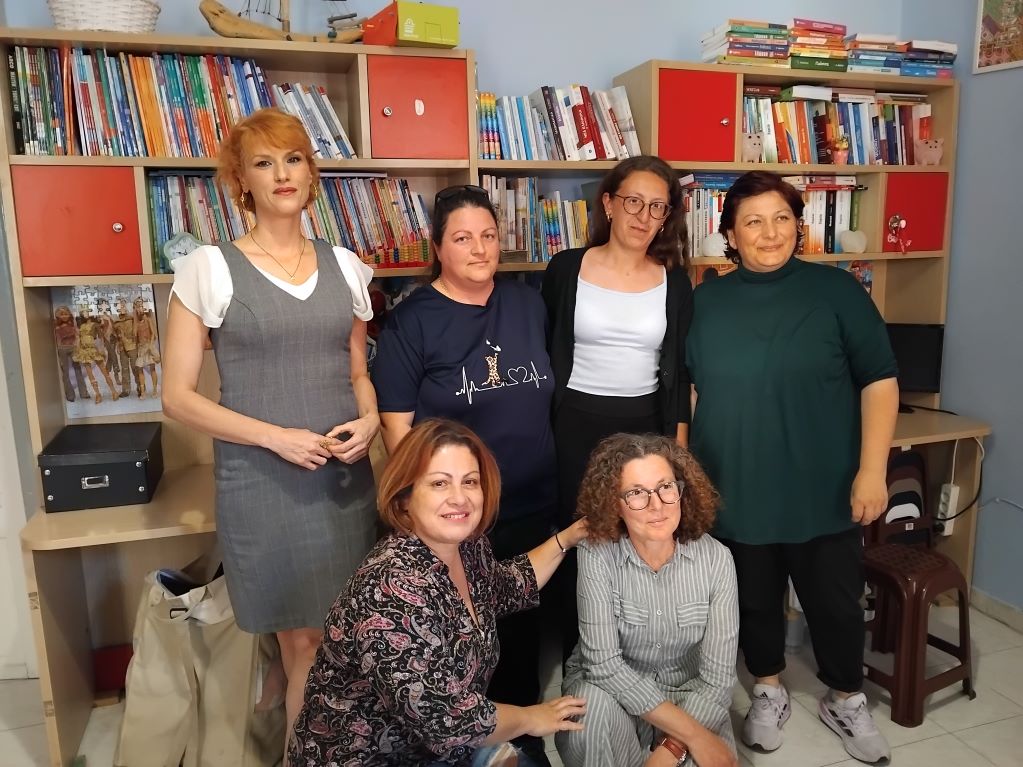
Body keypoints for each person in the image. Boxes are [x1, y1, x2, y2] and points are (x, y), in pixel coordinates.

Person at [162, 107, 379, 742]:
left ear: (311, 174)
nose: (281, 174)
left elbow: (357, 370)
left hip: (343, 483)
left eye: (293, 159)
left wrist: (370, 420)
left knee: (344, 634)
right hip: (263, 483)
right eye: (264, 163)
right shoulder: (209, 269)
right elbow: (176, 397)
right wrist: (274, 436)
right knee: (305, 640)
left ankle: (317, 731)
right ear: (242, 181)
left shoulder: (347, 266)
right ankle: (309, 750)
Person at [685, 171, 900, 764]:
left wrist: (872, 471)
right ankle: (768, 689)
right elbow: (691, 393)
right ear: (730, 234)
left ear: (798, 226)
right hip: (735, 486)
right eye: (753, 221)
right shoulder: (704, 303)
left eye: (782, 218)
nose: (770, 232)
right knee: (754, 600)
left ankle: (846, 696)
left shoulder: (837, 291)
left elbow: (880, 381)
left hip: (823, 486)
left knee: (835, 602)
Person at [371, 185, 559, 762]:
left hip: (534, 502)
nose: (479, 249)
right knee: (463, 646)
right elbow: (398, 433)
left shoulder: (528, 303)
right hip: (459, 515)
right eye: (462, 238)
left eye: (488, 236)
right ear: (438, 248)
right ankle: (468, 745)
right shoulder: (411, 322)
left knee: (522, 637)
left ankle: (521, 740)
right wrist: (425, 514)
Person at [290, 418, 589, 767]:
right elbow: (449, 722)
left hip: (438, 747)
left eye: (470, 481)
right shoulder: (389, 593)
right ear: (404, 499)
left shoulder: (468, 546)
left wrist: (568, 538)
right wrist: (532, 718)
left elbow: (507, 586)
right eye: (439, 483)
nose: (459, 498)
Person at [541, 154, 692, 659]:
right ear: (608, 203)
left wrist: (677, 452)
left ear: (667, 216)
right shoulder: (566, 268)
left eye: (657, 207)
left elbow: (679, 372)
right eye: (633, 202)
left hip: (645, 427)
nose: (643, 216)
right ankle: (580, 655)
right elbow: (545, 347)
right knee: (580, 536)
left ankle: (634, 649)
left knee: (637, 534)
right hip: (574, 422)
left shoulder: (674, 281)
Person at [556, 433, 738, 767]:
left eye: (665, 487)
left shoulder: (717, 559)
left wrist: (672, 748)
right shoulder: (596, 555)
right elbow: (603, 666)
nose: (657, 505)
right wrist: (695, 738)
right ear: (614, 504)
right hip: (611, 693)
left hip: (690, 699)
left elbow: (718, 680)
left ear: (682, 490)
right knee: (589, 712)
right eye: (636, 493)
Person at [73, 304, 119, 404]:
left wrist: (101, 349)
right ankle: (97, 394)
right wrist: (77, 349)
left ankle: (113, 391)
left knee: (104, 372)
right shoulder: (81, 326)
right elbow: (79, 339)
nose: (85, 313)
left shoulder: (95, 325)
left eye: (86, 311)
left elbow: (101, 338)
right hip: (84, 351)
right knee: (90, 374)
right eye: (82, 312)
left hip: (93, 349)